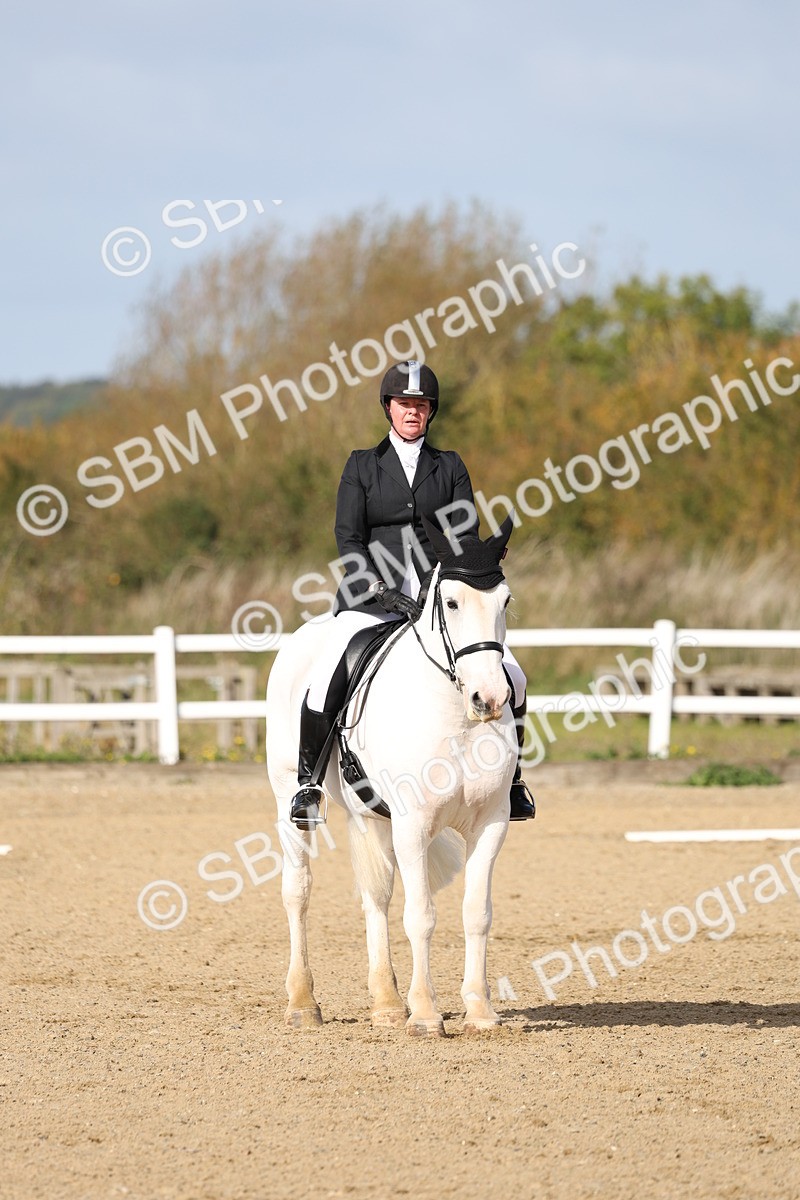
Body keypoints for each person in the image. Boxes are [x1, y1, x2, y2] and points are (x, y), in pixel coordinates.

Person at [290, 360, 535, 827]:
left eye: (420, 405)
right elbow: (348, 538)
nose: (412, 412)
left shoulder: (450, 466)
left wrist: (477, 567)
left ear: (431, 412)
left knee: (514, 676)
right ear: (388, 408)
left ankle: (514, 779)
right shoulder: (361, 464)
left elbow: (464, 534)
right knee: (327, 673)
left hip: (438, 600)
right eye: (404, 404)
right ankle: (309, 784)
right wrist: (378, 589)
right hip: (367, 597)